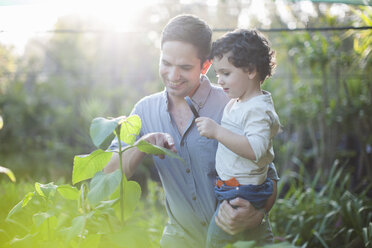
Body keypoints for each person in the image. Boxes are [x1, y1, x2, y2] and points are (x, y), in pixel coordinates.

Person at [104, 15, 280, 248]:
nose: (173, 75)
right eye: (166, 63)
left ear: (205, 66)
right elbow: (107, 175)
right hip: (180, 239)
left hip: (243, 238)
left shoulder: (233, 104)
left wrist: (256, 215)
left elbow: (268, 176)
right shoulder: (144, 111)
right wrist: (143, 145)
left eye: (185, 67)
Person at [195, 29, 281, 248]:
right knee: (249, 238)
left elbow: (255, 149)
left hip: (241, 192)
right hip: (235, 187)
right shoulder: (240, 102)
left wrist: (217, 132)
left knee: (218, 239)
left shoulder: (257, 110)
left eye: (226, 73)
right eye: (217, 74)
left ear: (251, 70)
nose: (219, 80)